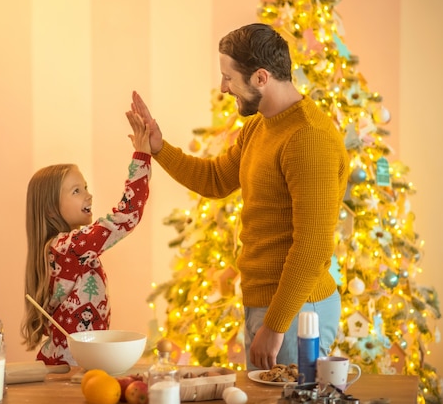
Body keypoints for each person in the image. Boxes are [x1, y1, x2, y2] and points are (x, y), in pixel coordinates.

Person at [129, 23, 349, 371]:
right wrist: (158, 146)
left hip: (297, 312)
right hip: (270, 306)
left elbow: (312, 246)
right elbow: (215, 179)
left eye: (228, 78)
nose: (222, 87)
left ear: (261, 78)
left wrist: (275, 326)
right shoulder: (260, 127)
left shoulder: (308, 138)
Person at [20, 111, 152, 365]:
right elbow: (127, 216)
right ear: (50, 209)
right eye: (76, 191)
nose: (88, 195)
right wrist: (142, 156)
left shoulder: (60, 248)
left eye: (86, 187)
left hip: (74, 363)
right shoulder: (69, 247)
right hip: (70, 367)